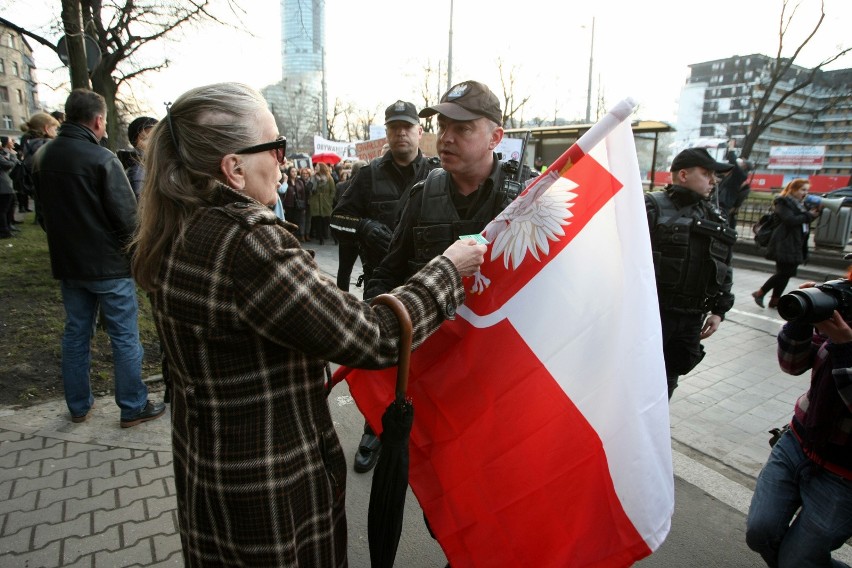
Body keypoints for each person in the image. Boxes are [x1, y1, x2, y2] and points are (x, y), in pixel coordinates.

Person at [129, 82, 486, 566]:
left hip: (211, 467)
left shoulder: (180, 222)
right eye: (274, 147)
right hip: (269, 482)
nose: (282, 159)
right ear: (233, 168)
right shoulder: (246, 243)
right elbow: (372, 335)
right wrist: (448, 268)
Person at [31, 89, 165, 428]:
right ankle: (132, 406)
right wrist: (138, 256)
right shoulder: (102, 159)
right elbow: (128, 219)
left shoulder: (45, 156)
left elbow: (43, 215)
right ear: (98, 120)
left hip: (69, 265)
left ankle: (78, 405)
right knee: (124, 336)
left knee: (75, 333)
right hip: (108, 266)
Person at [330, 99, 440, 473]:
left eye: (407, 127)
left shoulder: (437, 173)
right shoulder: (367, 175)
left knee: (429, 365)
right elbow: (336, 221)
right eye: (394, 128)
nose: (401, 134)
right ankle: (373, 429)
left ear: (419, 132)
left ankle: (425, 434)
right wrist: (363, 227)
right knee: (380, 365)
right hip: (382, 288)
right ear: (386, 134)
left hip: (427, 287)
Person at [745, 286, 852, 568]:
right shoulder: (845, 305)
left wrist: (846, 347)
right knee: (760, 532)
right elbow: (792, 364)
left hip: (844, 474)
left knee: (797, 562)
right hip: (798, 443)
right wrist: (801, 320)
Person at [645, 148, 738, 399]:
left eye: (714, 176)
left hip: (690, 319)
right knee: (637, 379)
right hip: (652, 315)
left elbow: (724, 266)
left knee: (668, 381)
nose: (713, 181)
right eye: (707, 174)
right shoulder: (651, 205)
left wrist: (719, 310)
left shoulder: (714, 216)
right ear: (683, 175)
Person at [752, 179, 820, 309]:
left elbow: (803, 219)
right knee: (784, 273)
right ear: (793, 190)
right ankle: (760, 293)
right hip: (784, 242)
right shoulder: (783, 202)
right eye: (802, 190)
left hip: (795, 243)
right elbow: (790, 220)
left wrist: (813, 213)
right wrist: (809, 215)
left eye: (807, 190)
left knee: (786, 273)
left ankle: (775, 300)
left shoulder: (801, 204)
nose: (805, 193)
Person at [332, 160, 367, 291]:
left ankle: (342, 298)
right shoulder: (367, 187)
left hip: (346, 231)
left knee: (344, 270)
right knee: (368, 269)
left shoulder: (341, 186)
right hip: (362, 233)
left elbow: (335, 204)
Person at [20, 112, 60, 224]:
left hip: (37, 189)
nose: (56, 132)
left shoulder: (28, 144)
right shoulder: (49, 146)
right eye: (55, 129)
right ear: (47, 129)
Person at [119, 116, 159, 200]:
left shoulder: (152, 165)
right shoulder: (138, 170)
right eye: (146, 138)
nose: (153, 142)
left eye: (156, 137)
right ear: (136, 143)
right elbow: (142, 206)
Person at [309, 161, 335, 244]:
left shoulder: (329, 178)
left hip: (325, 202)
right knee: (318, 221)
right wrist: (314, 180)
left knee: (328, 221)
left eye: (317, 166)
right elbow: (310, 189)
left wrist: (330, 200)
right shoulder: (313, 177)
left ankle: (335, 238)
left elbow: (333, 190)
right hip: (316, 201)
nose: (315, 168)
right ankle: (320, 239)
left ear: (321, 167)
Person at [0, 136, 19, 238]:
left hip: (6, 184)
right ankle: (4, 231)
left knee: (9, 206)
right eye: (11, 141)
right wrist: (13, 156)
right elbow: (8, 165)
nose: (13, 143)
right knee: (3, 209)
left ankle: (7, 227)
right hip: (3, 186)